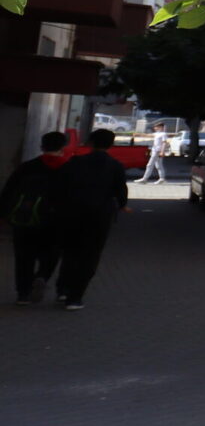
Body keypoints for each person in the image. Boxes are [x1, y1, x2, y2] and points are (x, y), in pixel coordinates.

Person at [50, 128, 129, 311]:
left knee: (70, 251)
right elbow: (121, 191)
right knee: (90, 255)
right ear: (111, 145)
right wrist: (122, 205)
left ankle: (63, 289)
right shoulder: (115, 166)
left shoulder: (76, 162)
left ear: (91, 143)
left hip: (73, 213)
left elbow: (60, 184)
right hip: (100, 216)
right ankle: (75, 297)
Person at [3, 132, 69, 305]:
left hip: (26, 218)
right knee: (52, 253)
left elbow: (9, 191)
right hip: (56, 221)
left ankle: (23, 294)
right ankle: (42, 276)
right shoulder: (69, 168)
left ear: (42, 146)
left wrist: (5, 215)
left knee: (24, 256)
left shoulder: (27, 167)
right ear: (63, 148)